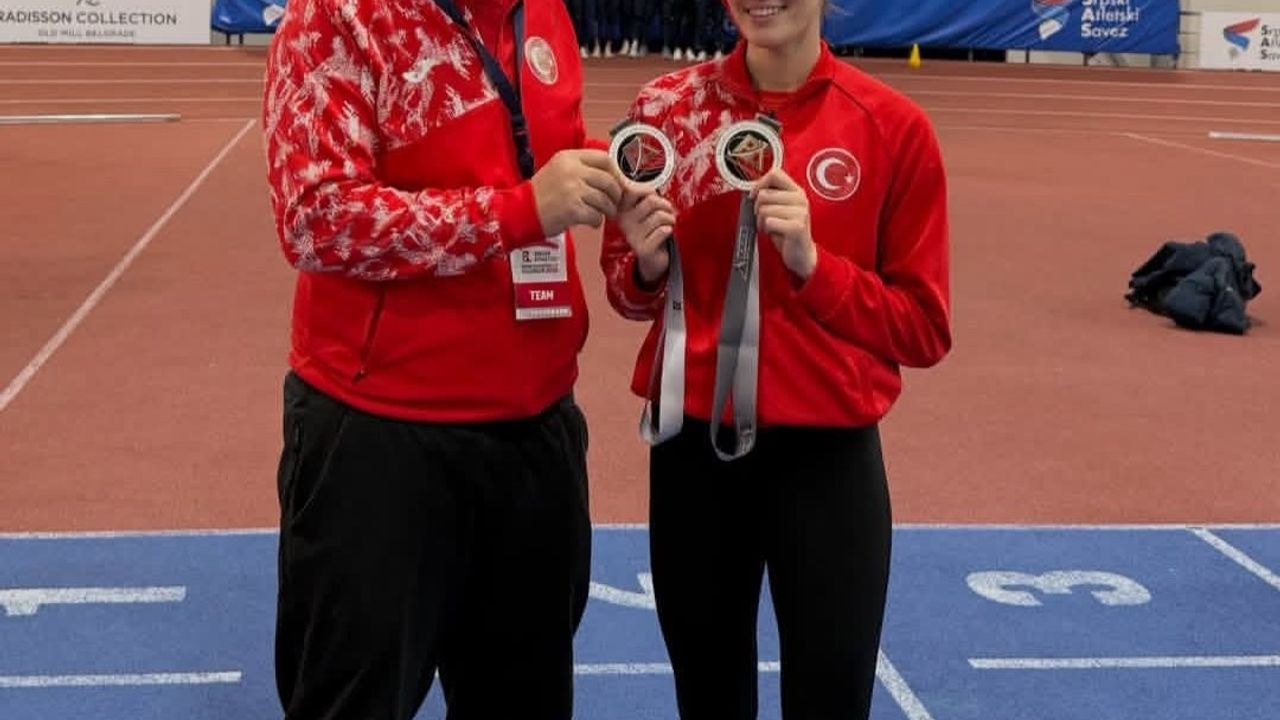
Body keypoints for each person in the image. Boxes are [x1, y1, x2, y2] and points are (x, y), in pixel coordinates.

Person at [261, 0, 622, 716]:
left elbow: (537, 147)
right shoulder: (338, 15)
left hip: (537, 429)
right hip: (381, 440)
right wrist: (519, 211)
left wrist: (607, 176)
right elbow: (316, 219)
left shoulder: (543, 11)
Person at [600, 0, 952, 716]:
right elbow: (626, 292)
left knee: (830, 700)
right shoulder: (665, 111)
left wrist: (815, 267)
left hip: (827, 466)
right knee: (707, 699)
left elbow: (924, 329)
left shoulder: (893, 126)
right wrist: (645, 265)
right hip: (693, 455)